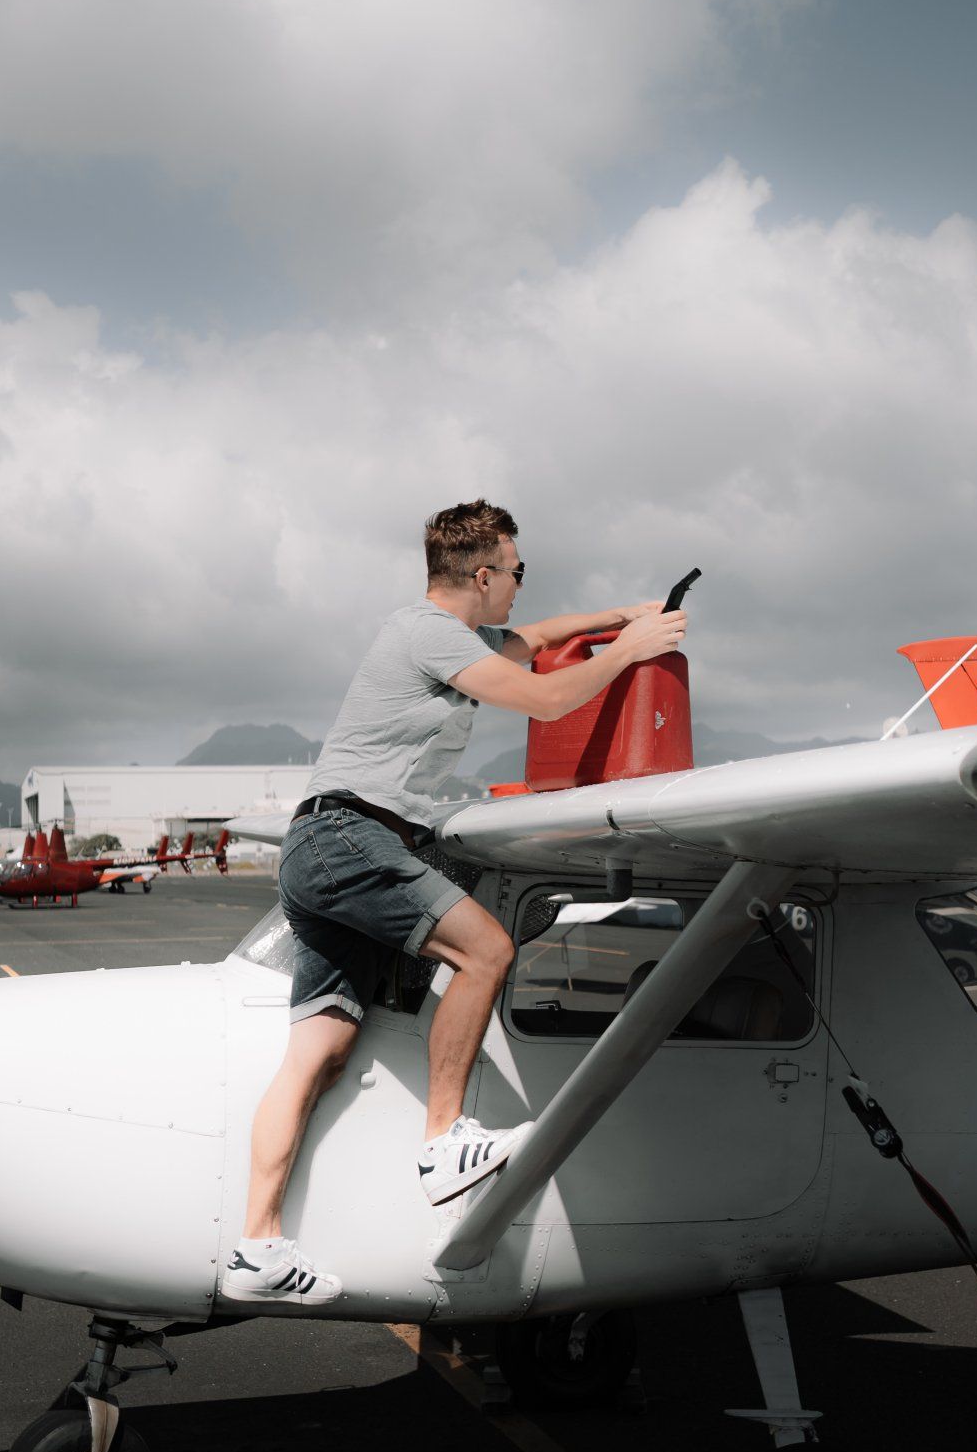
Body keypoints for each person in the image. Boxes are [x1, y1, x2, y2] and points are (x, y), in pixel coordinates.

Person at [224, 500, 688, 1304]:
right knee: (488, 950)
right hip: (350, 837)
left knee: (319, 1053)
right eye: (516, 573)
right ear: (482, 574)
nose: (519, 587)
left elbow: (540, 640)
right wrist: (632, 652)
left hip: (321, 846)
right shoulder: (429, 634)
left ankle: (256, 1249)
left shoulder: (449, 637)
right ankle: (444, 1142)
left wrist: (625, 614)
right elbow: (545, 697)